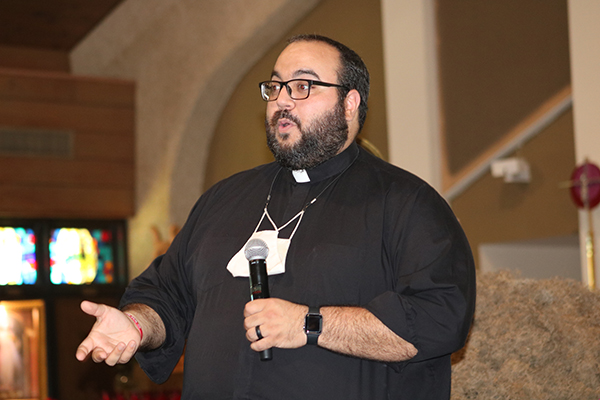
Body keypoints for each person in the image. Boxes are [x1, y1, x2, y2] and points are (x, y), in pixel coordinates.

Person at [76, 34, 476, 399]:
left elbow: (440, 318)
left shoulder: (408, 203)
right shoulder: (224, 199)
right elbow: (166, 296)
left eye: (303, 86)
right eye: (275, 87)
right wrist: (137, 326)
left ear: (350, 103)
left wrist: (309, 324)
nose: (283, 100)